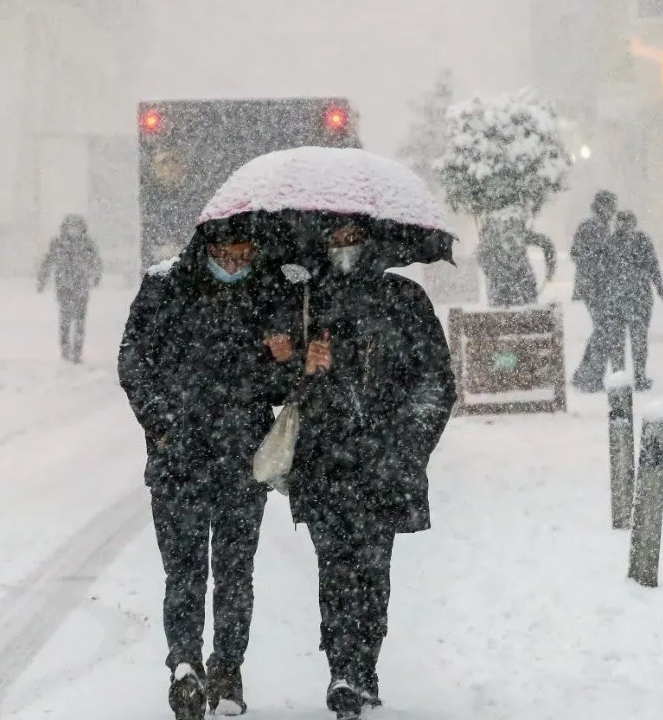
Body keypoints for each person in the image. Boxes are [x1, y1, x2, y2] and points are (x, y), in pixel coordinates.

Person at [118, 230, 297, 720]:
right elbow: (133, 360)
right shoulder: (165, 285)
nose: (235, 265)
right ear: (206, 248)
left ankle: (226, 667)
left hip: (242, 459)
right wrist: (163, 424)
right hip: (180, 460)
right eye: (226, 255)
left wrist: (284, 360)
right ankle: (185, 663)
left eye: (245, 256)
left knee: (234, 572)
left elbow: (283, 386)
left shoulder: (270, 291)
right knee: (186, 571)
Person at [289, 218, 456, 720]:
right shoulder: (306, 302)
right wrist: (302, 363)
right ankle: (343, 669)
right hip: (324, 462)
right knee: (334, 567)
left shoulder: (404, 301)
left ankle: (364, 666)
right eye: (334, 240)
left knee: (372, 570)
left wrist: (404, 446)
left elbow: (436, 383)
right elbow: (275, 381)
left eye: (352, 238)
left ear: (370, 240)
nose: (343, 248)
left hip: (382, 466)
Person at [606, 211, 663, 391]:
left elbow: (601, 272)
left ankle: (620, 377)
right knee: (637, 340)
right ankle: (638, 376)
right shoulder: (641, 241)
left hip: (619, 298)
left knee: (619, 341)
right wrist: (660, 287)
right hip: (638, 297)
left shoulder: (611, 242)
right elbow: (653, 266)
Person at [570, 191, 619, 392]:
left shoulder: (597, 227)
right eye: (611, 207)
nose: (613, 211)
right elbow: (581, 254)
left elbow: (576, 252)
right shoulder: (595, 227)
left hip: (595, 286)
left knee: (602, 330)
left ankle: (586, 374)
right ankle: (590, 376)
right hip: (596, 287)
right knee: (604, 331)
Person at [38, 214, 102, 363]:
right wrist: (42, 279)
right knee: (65, 318)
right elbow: (48, 261)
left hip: (81, 286)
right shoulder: (58, 243)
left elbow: (96, 262)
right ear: (65, 229)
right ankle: (66, 350)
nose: (74, 231)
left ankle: (77, 351)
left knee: (79, 319)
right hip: (64, 286)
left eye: (76, 228)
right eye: (71, 227)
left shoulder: (87, 244)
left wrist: (96, 275)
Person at [477, 209, 556, 308]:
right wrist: (550, 269)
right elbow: (546, 243)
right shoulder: (521, 234)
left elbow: (481, 254)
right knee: (527, 315)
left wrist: (490, 271)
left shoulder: (491, 239)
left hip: (502, 285)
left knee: (501, 316)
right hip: (521, 282)